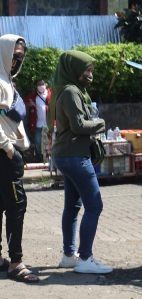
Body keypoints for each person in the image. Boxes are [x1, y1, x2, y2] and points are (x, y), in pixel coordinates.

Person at [0, 34, 40, 283]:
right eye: (14, 55)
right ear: (3, 52)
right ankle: (16, 263)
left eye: (21, 57)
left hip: (9, 148)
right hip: (3, 149)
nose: (17, 61)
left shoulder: (6, 80)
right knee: (16, 204)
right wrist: (7, 147)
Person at [47, 50, 112, 274]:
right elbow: (78, 126)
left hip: (67, 154)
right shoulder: (71, 92)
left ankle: (69, 256)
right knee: (94, 206)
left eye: (91, 70)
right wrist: (100, 123)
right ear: (74, 70)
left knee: (73, 207)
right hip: (74, 156)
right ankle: (85, 258)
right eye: (86, 70)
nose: (90, 74)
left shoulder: (68, 90)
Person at [23, 78, 51, 162]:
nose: (42, 86)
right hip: (39, 124)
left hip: (50, 124)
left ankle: (51, 161)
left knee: (51, 143)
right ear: (36, 86)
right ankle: (40, 159)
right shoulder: (33, 96)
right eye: (39, 85)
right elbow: (22, 102)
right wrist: (28, 104)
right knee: (38, 142)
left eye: (43, 84)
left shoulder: (51, 93)